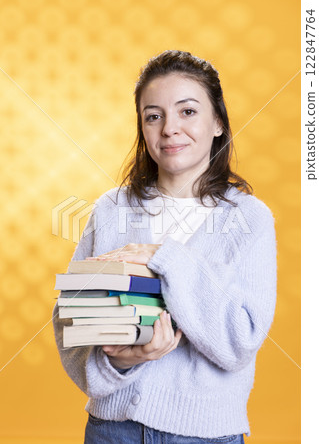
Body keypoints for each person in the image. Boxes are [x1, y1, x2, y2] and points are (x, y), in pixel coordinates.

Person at [53, 50, 277, 443]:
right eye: (153, 116)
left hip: (205, 435)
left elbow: (239, 342)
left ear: (218, 123)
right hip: (112, 430)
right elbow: (70, 318)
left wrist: (165, 258)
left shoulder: (249, 218)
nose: (170, 128)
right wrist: (120, 363)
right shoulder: (111, 209)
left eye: (188, 111)